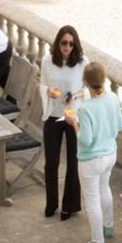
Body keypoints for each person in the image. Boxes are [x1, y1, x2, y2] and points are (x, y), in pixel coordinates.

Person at [66, 62, 122, 243]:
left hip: (91, 160)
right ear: (104, 79)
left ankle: (97, 242)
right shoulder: (114, 98)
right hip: (110, 154)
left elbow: (86, 140)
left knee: (91, 200)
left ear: (85, 82)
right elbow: (120, 125)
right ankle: (109, 226)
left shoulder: (85, 108)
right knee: (104, 188)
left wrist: (74, 123)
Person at [40, 25, 88, 219]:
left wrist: (75, 95)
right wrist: (47, 91)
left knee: (73, 162)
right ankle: (51, 203)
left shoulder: (82, 62)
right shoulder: (47, 60)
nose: (67, 47)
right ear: (58, 43)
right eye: (63, 43)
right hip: (53, 115)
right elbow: (42, 83)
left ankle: (69, 205)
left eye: (71, 44)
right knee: (51, 163)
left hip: (73, 116)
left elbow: (88, 90)